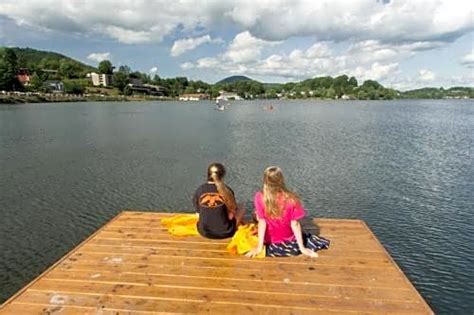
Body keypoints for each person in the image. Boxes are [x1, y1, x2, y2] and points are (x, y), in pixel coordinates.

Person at [246, 166, 330, 258]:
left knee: (257, 215)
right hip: (289, 240)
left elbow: (262, 223)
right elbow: (295, 224)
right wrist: (302, 248)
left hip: (269, 240)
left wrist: (259, 247)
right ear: (281, 180)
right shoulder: (291, 199)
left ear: (265, 180)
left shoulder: (259, 197)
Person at [193, 163, 244, 239]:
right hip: (225, 232)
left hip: (204, 232)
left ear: (208, 174)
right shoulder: (227, 191)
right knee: (241, 206)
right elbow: (230, 216)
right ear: (222, 175)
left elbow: (198, 214)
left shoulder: (199, 190)